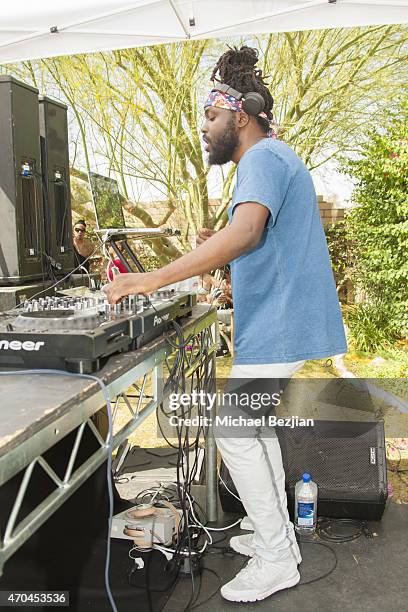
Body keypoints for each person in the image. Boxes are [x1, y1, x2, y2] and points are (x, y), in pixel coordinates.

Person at [104, 45, 348, 602]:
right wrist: (225, 259)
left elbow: (248, 234)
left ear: (239, 115)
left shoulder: (260, 159)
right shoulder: (274, 157)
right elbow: (261, 242)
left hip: (283, 323)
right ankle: (273, 535)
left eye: (211, 118)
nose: (205, 129)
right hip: (280, 320)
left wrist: (151, 278)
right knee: (252, 430)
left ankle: (279, 557)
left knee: (236, 432)